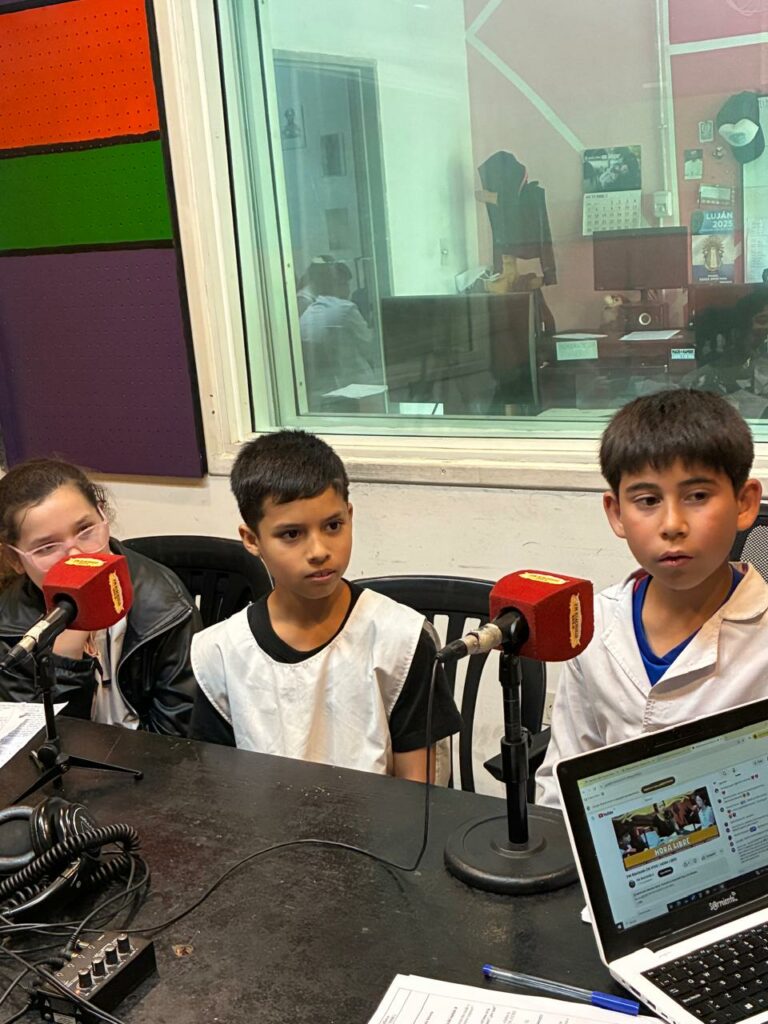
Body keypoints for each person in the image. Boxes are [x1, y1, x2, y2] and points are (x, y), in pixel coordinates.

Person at [536, 388, 765, 807]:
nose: (672, 524)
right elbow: (563, 775)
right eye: (647, 501)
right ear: (617, 514)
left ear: (745, 503)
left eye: (698, 496)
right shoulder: (593, 624)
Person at [190, 430, 462, 781]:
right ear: (252, 539)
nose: (319, 551)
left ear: (350, 515)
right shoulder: (220, 653)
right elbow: (217, 786)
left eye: (333, 525)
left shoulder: (402, 641)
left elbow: (419, 793)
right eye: (292, 534)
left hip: (382, 817)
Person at [0, 458, 201, 734]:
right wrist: (66, 660)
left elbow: (179, 735)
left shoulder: (166, 605)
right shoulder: (8, 626)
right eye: (47, 547)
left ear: (103, 516)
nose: (75, 556)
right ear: (15, 559)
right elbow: (34, 740)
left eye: (86, 530)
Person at [299, 262, 382, 409]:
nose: (348, 289)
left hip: (320, 386)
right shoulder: (346, 308)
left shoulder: (310, 310)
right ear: (333, 285)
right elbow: (370, 347)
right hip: (351, 385)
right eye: (344, 284)